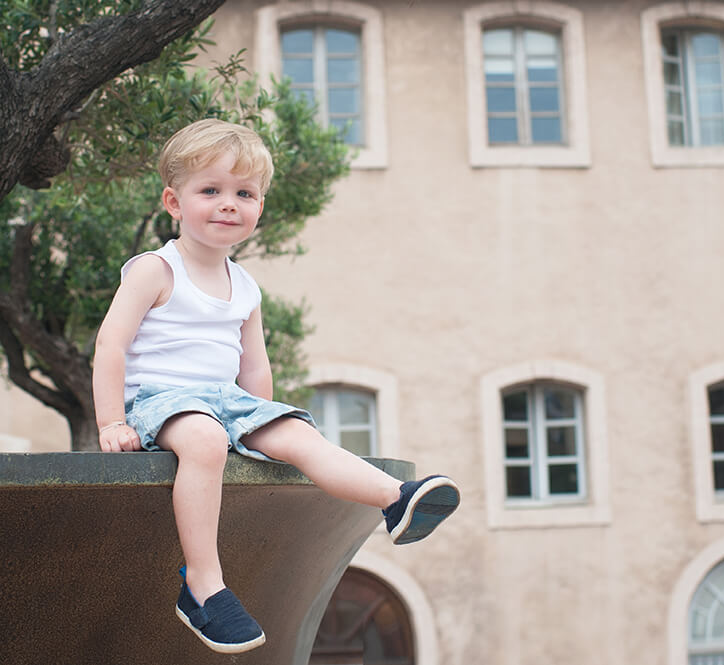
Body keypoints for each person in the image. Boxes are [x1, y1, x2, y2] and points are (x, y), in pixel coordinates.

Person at [92, 118, 459, 654]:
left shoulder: (244, 285)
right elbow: (111, 346)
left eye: (244, 193)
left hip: (227, 403)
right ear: (174, 201)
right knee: (203, 440)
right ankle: (203, 586)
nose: (228, 204)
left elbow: (254, 366)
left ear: (259, 207)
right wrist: (111, 422)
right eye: (210, 191)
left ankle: (395, 500)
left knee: (297, 435)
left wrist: (262, 422)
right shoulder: (155, 270)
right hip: (162, 400)